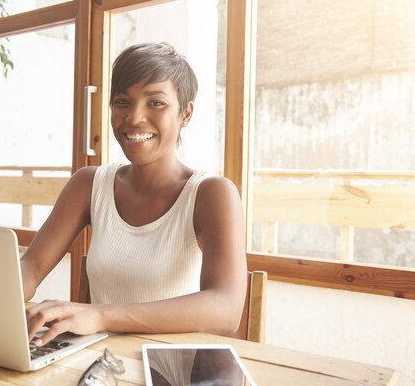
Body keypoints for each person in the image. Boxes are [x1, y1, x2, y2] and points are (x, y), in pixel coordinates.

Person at [20, 42, 247, 347]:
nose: (135, 117)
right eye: (123, 101)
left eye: (156, 102)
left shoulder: (211, 194)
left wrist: (100, 315)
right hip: (96, 361)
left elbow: (226, 310)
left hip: (171, 368)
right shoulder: (88, 184)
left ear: (186, 113)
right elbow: (31, 268)